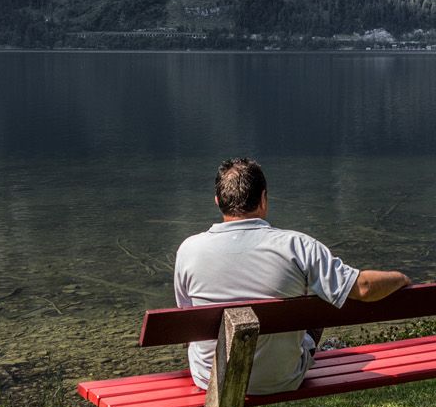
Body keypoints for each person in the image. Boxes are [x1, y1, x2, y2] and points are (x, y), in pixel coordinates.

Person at [174, 157, 410, 394]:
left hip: (212, 379)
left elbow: (187, 317)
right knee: (316, 304)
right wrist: (400, 278)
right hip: (281, 378)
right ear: (263, 199)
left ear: (217, 201)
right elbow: (364, 288)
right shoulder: (298, 246)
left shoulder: (188, 249)